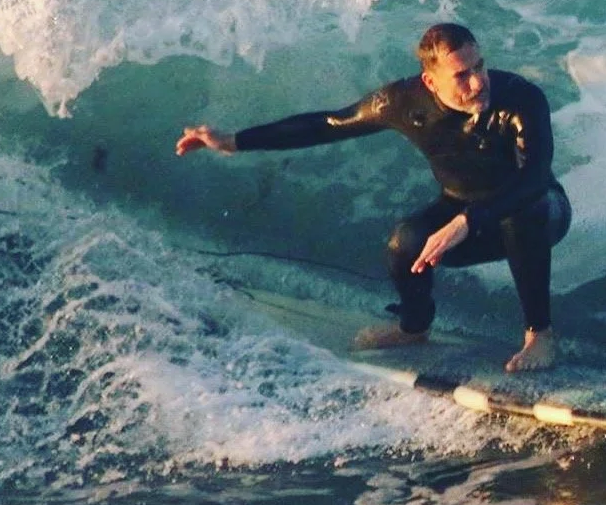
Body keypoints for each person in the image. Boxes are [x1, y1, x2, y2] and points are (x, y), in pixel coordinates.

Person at [175, 23, 571, 371]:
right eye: (462, 75)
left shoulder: (520, 98)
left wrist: (468, 221)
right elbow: (327, 125)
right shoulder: (402, 102)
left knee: (523, 211)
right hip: (461, 209)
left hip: (540, 210)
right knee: (405, 241)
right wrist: (233, 141)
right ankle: (413, 328)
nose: (479, 82)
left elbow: (534, 178)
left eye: (480, 66)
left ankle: (541, 334)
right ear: (430, 82)